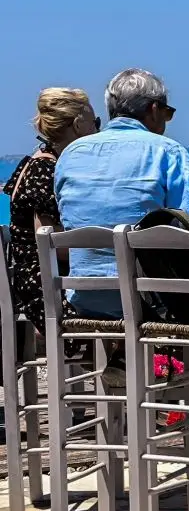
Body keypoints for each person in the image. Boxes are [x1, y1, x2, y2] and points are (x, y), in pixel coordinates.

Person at [56, 68, 189, 319]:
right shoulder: (166, 151)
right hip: (149, 301)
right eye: (167, 112)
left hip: (85, 298)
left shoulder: (70, 154)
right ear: (153, 110)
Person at [3, 88, 99, 336]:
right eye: (96, 123)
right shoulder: (46, 169)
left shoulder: (39, 160)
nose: (98, 132)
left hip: (40, 279)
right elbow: (48, 240)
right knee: (125, 307)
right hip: (46, 288)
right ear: (78, 126)